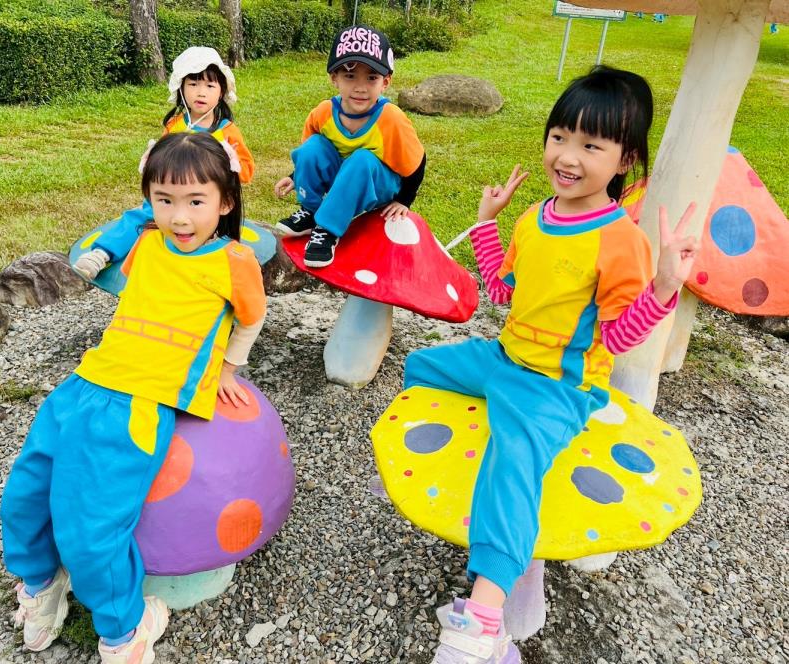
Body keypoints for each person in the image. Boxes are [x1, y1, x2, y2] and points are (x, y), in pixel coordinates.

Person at [405, 66, 700, 663]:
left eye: (591, 146)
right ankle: (455, 502)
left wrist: (664, 287)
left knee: (512, 461)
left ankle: (483, 621)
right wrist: (486, 224)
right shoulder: (535, 218)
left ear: (625, 160)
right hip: (504, 358)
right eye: (560, 136)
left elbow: (618, 336)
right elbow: (503, 292)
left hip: (555, 386)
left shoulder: (621, 241)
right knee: (421, 367)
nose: (567, 156)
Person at [0, 132, 266, 663]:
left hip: (137, 405)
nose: (179, 217)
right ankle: (40, 584)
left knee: (93, 527)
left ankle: (125, 632)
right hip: (84, 384)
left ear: (225, 202)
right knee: (25, 494)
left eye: (196, 201)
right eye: (164, 200)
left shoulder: (235, 261)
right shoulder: (146, 245)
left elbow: (251, 318)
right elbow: (140, 287)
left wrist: (227, 369)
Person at [73, 46, 255, 280]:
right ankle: (102, 253)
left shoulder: (227, 131)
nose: (201, 92)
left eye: (210, 86)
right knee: (143, 216)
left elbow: (247, 171)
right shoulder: (175, 125)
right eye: (193, 84)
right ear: (181, 88)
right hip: (171, 195)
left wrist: (227, 160)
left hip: (207, 202)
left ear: (221, 92)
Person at [273, 24, 426, 268]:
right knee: (313, 147)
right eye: (350, 76)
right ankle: (312, 211)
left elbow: (416, 161)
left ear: (385, 82)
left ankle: (328, 229)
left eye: (372, 78)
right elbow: (312, 156)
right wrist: (295, 176)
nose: (360, 87)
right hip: (342, 176)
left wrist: (404, 200)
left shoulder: (391, 119)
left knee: (361, 159)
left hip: (376, 184)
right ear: (334, 78)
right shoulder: (323, 112)